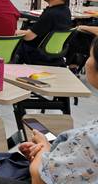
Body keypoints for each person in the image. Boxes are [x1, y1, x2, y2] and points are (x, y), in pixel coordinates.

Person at [19, 36, 98, 183]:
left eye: (90, 56)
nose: (87, 61)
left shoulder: (90, 140)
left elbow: (39, 177)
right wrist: (52, 151)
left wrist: (43, 149)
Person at [14, 0, 72, 65]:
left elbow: (29, 36)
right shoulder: (66, 11)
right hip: (54, 55)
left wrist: (13, 32)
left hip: (38, 54)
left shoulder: (50, 14)